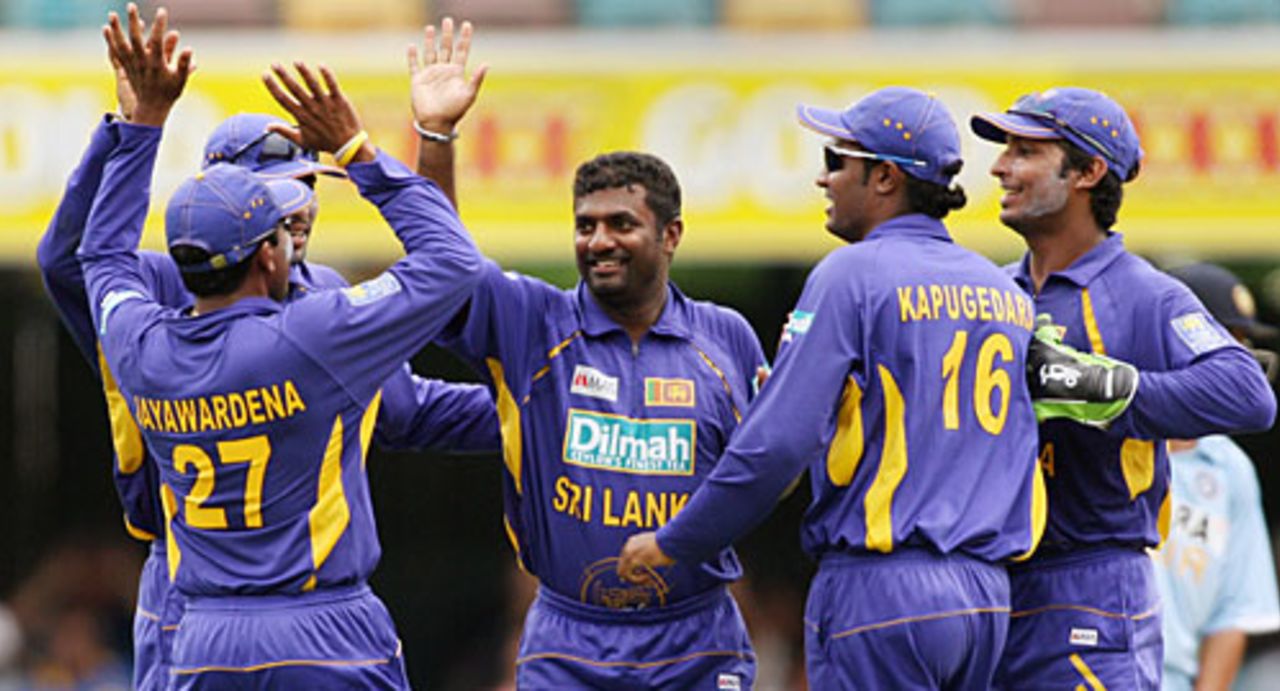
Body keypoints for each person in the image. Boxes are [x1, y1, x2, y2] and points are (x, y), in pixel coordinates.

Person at [36, 13, 498, 688]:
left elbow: (406, 408)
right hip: (189, 584)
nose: (300, 207)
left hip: (259, 609)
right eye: (277, 192)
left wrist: (546, 413)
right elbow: (68, 259)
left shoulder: (315, 294)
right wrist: (125, 129)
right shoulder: (172, 284)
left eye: (308, 185)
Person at [618, 87, 1047, 688]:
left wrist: (677, 541)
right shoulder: (1005, 291)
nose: (823, 179)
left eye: (835, 160)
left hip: (883, 589)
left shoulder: (851, 274)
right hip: (984, 597)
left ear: (886, 177)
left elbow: (776, 446)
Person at [408, 19, 766, 689]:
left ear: (671, 235)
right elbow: (440, 264)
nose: (598, 241)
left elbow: (766, 471)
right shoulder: (531, 321)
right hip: (569, 642)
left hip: (697, 640)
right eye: (585, 225)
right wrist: (436, 137)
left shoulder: (728, 338)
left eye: (621, 224)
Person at [969, 87, 1277, 688]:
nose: (1001, 167)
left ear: (1088, 172)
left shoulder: (1141, 292)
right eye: (1006, 150)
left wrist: (1087, 384)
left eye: (1025, 151)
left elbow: (1248, 393)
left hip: (1092, 591)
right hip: (989, 589)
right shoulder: (993, 292)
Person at [1155, 262, 1280, 691]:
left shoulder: (1229, 468)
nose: (1237, 363)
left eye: (1243, 345)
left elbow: (1234, 614)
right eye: (1225, 341)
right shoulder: (1110, 436)